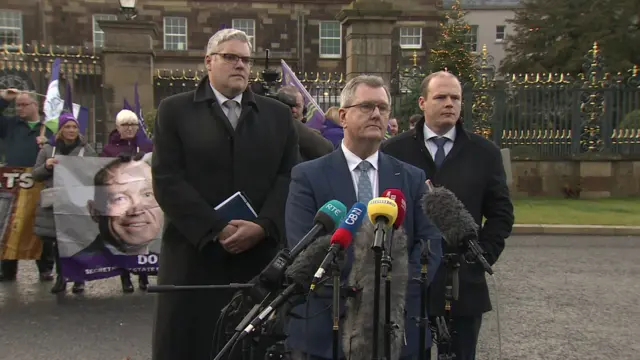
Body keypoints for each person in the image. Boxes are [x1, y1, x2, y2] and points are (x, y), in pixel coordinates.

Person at [151, 28, 299, 360]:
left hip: (259, 257)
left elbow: (289, 175)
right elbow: (167, 179)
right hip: (195, 257)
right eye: (230, 57)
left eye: (245, 59)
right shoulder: (175, 111)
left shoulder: (276, 115)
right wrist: (215, 228)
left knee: (255, 348)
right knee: (191, 346)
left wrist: (264, 225)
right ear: (208, 62)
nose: (240, 65)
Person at [284, 74, 443, 359]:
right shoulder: (308, 176)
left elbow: (430, 243)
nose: (376, 114)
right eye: (367, 106)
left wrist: (392, 289)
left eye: (383, 108)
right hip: (327, 325)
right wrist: (357, 290)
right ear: (343, 116)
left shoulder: (412, 177)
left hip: (398, 324)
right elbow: (304, 247)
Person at [381, 71, 514, 360]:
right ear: (422, 102)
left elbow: (501, 214)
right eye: (441, 97)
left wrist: (482, 257)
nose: (449, 103)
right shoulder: (394, 150)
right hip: (409, 281)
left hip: (463, 282)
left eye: (455, 98)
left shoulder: (484, 152)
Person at [32, 112, 97, 294]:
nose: (71, 130)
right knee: (58, 244)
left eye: (74, 127)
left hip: (77, 202)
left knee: (77, 241)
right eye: (67, 127)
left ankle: (79, 278)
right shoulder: (47, 150)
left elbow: (95, 174)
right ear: (60, 129)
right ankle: (62, 277)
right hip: (55, 203)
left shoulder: (87, 150)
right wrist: (47, 166)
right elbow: (35, 175)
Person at [0, 89, 54, 282]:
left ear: (35, 105)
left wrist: (50, 142)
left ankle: (45, 267)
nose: (20, 108)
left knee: (40, 223)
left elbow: (64, 143)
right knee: (11, 222)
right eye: (18, 105)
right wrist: (4, 100)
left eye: (24, 105)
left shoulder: (48, 126)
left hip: (39, 179)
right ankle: (7, 268)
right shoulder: (11, 125)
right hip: (14, 179)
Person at [100, 109, 152, 292]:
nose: (129, 129)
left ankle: (143, 275)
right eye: (125, 125)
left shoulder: (146, 145)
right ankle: (125, 276)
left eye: (133, 125)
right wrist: (115, 162)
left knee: (141, 237)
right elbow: (102, 173)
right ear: (117, 127)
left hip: (140, 198)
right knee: (124, 237)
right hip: (120, 199)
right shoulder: (108, 149)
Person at [276, 85, 333, 161]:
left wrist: (289, 120)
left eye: (297, 106)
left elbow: (326, 150)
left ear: (303, 107)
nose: (294, 110)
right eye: (288, 105)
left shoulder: (312, 133)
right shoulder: (271, 130)